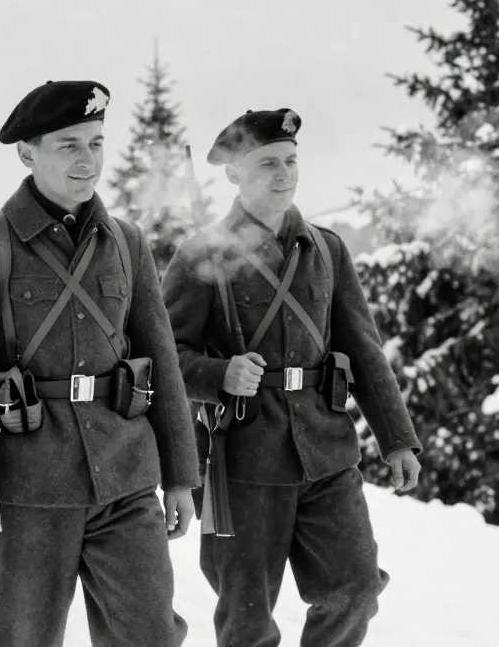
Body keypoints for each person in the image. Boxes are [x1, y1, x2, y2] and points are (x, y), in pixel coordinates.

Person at [0, 80, 200, 647]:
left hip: (126, 475)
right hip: (28, 487)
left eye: (95, 142)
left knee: (151, 634)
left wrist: (182, 477)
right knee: (23, 637)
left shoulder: (128, 242)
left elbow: (161, 363)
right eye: (68, 144)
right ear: (27, 153)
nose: (87, 158)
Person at [161, 108, 423, 647]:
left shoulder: (326, 249)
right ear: (234, 173)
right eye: (267, 164)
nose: (283, 174)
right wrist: (219, 374)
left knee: (355, 588)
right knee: (247, 617)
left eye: (290, 162)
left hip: (328, 451)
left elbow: (364, 351)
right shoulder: (199, 255)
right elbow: (165, 358)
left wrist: (397, 440)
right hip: (242, 460)